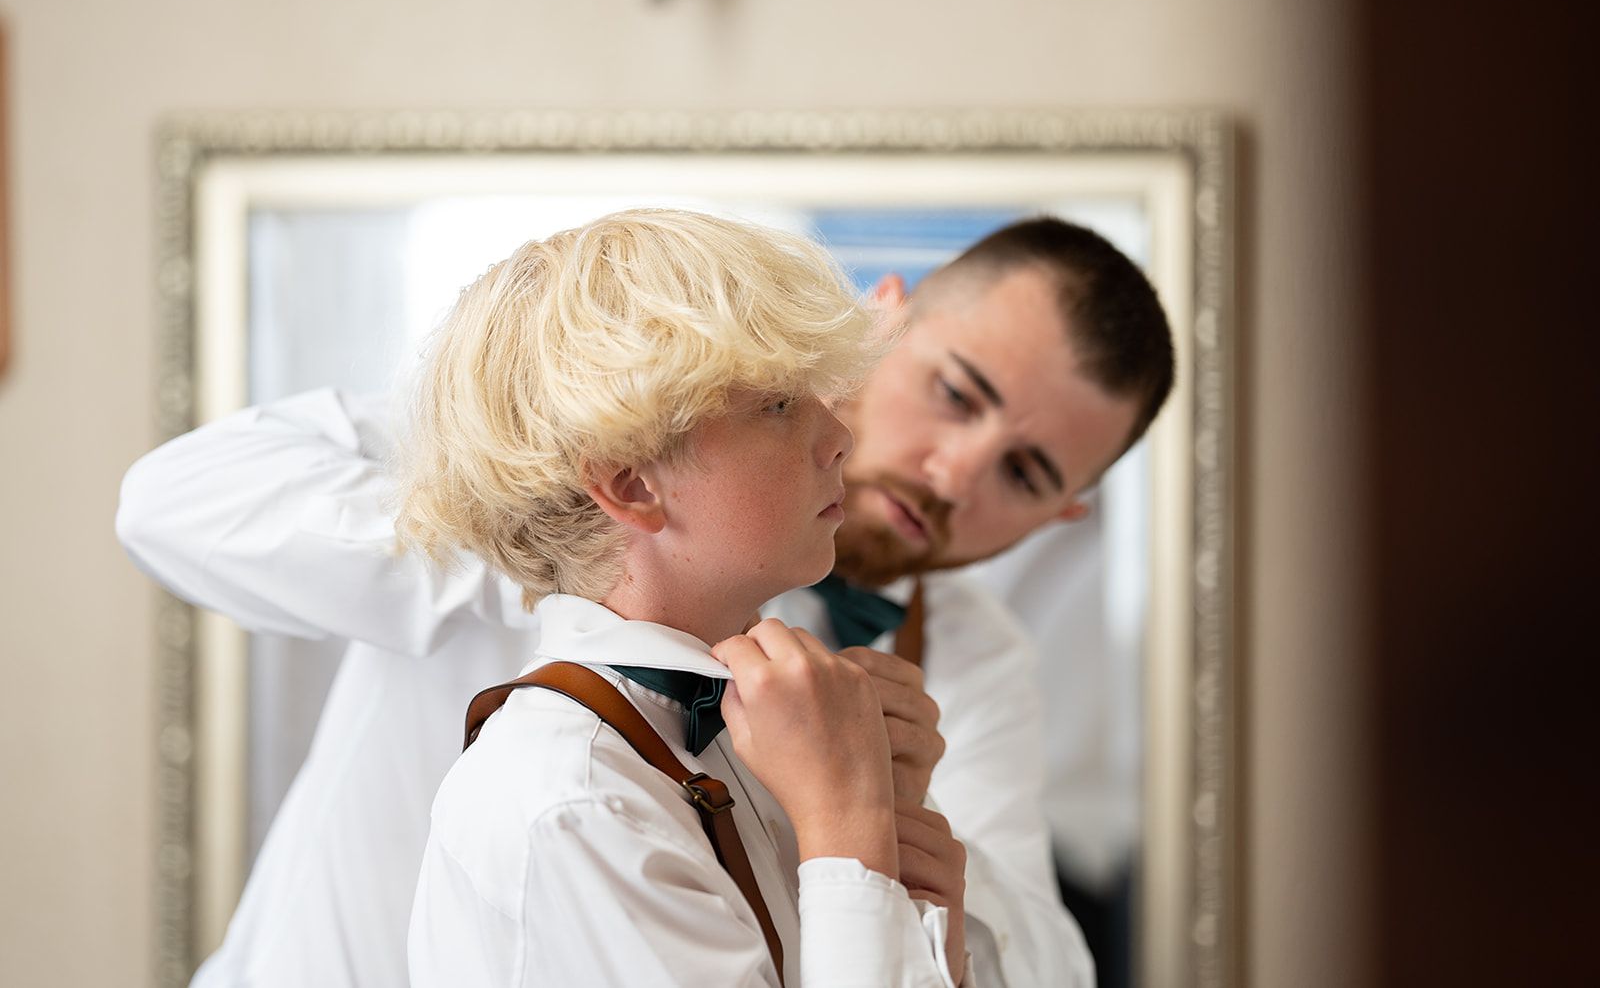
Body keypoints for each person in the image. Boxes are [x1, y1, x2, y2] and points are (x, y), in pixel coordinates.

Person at [118, 214, 1173, 986]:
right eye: (955, 391)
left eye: (1026, 472)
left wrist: (882, 818)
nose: (952, 474)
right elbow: (169, 501)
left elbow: (1044, 964)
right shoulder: (612, 407)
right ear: (881, 316)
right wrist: (573, 551)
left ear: (1062, 517)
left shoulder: (969, 658)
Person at [392, 209, 966, 983]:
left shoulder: (765, 735)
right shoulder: (573, 801)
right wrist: (849, 827)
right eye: (778, 405)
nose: (840, 438)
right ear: (631, 482)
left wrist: (906, 882)